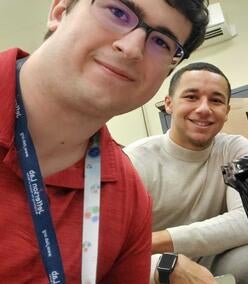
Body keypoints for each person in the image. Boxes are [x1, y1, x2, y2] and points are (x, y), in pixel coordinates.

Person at [0, 0, 212, 282]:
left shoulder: (128, 196)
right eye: (117, 12)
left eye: (161, 42)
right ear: (60, 11)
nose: (132, 48)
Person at [124, 62, 248, 284]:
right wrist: (167, 261)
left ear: (226, 112)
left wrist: (157, 239)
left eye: (216, 100)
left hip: (214, 260)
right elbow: (114, 249)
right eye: (191, 97)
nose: (204, 109)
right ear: (169, 104)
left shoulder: (234, 149)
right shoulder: (136, 160)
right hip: (155, 267)